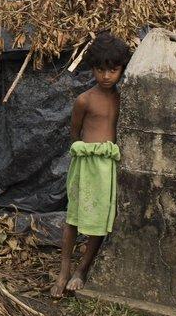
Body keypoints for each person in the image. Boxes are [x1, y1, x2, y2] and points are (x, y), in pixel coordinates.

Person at [51, 33, 130, 298]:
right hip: (85, 165)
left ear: (121, 70)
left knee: (100, 220)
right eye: (100, 69)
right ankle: (64, 270)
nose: (106, 75)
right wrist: (87, 154)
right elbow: (75, 134)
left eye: (113, 70)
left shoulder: (124, 100)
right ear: (92, 68)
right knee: (73, 218)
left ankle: (82, 269)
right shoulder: (84, 99)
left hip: (108, 168)